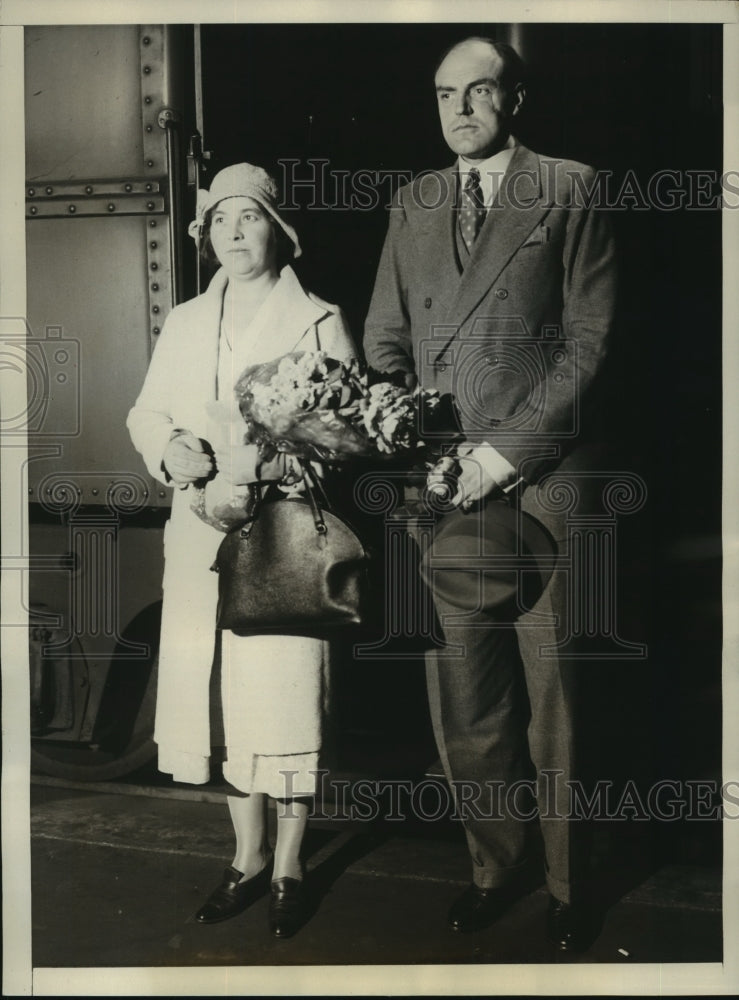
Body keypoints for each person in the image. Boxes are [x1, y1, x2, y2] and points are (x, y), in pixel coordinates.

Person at [364, 37, 617, 950]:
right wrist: (411, 427)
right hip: (442, 489)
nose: (459, 109)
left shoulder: (570, 185)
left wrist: (500, 455)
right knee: (463, 696)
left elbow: (590, 343)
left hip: (543, 485)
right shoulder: (414, 201)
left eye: (478, 92)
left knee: (556, 700)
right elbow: (383, 339)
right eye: (443, 95)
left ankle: (565, 883)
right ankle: (492, 867)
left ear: (514, 98)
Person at [127, 163, 356, 938]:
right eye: (219, 220)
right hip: (198, 534)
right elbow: (147, 412)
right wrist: (172, 452)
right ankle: (246, 856)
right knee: (219, 699)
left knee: (282, 698)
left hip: (283, 537)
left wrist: (252, 471)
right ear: (206, 235)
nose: (232, 232)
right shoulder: (186, 320)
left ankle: (290, 864)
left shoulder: (318, 319)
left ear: (277, 230)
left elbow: (343, 433)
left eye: (248, 217)